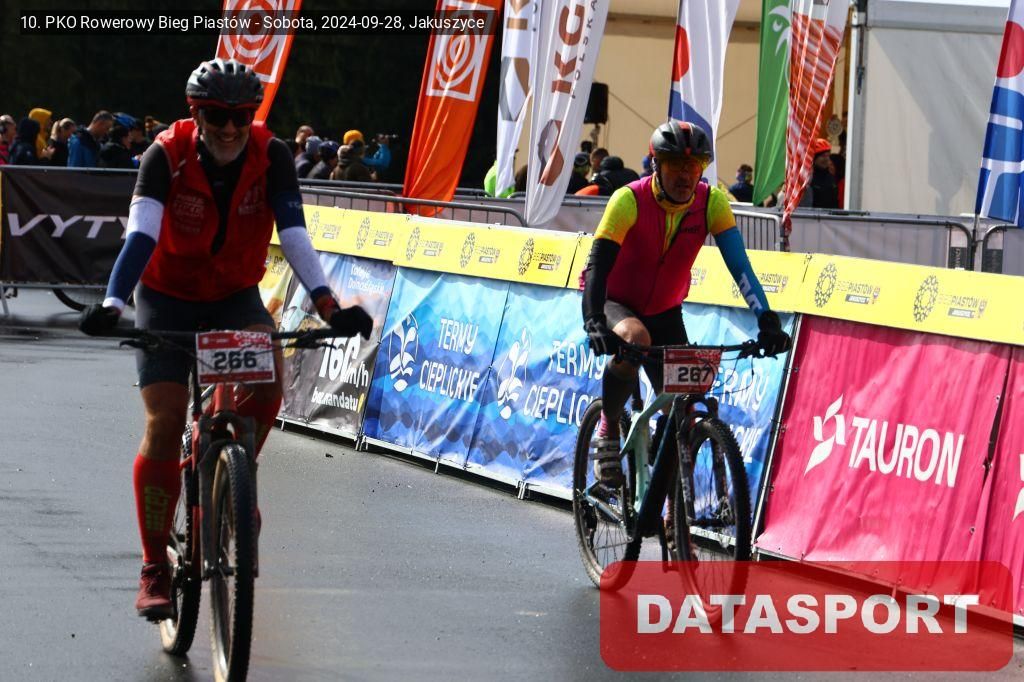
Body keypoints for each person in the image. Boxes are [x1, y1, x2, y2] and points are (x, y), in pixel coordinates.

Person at [77, 58, 373, 621]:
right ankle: (154, 566)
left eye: (242, 116)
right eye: (217, 116)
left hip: (234, 295)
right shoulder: (165, 155)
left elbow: (294, 234)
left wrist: (327, 304)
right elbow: (141, 234)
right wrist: (113, 302)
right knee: (165, 422)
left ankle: (235, 483)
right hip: (166, 296)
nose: (231, 128)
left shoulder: (272, 154)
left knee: (267, 387)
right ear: (196, 114)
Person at [580, 120, 791, 487]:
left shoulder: (712, 202)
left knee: (686, 400)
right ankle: (608, 426)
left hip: (665, 309)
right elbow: (598, 264)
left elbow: (740, 266)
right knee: (636, 338)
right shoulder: (629, 200)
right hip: (616, 301)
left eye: (693, 167)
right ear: (656, 165)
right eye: (676, 165)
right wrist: (593, 318)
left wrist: (766, 319)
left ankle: (669, 506)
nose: (685, 175)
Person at [809, 138, 839, 209]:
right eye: (822, 156)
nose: (826, 159)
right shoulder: (808, 178)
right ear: (814, 158)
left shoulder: (831, 177)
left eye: (828, 155)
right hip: (812, 215)